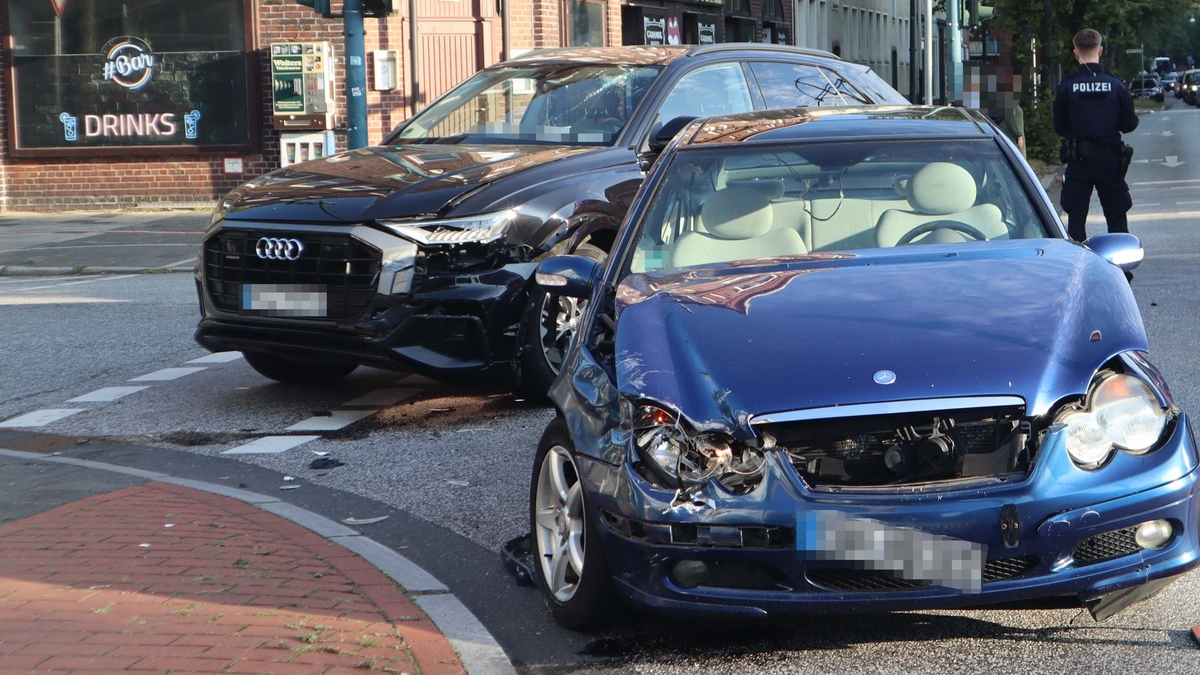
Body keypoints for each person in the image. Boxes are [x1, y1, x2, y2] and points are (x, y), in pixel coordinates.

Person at [1053, 28, 1138, 242]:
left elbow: (1059, 127)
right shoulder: (1117, 85)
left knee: (1076, 218)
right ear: (1100, 50)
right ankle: (1122, 272)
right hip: (1110, 159)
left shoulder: (1066, 87)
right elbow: (1129, 124)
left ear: (1075, 52)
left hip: (1078, 160)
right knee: (1117, 216)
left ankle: (1079, 268)